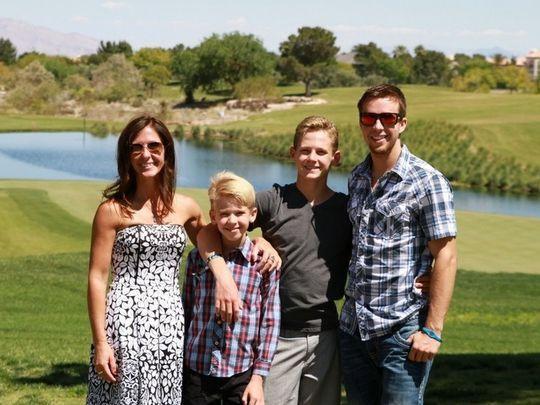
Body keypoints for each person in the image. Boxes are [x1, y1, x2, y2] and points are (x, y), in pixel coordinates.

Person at [198, 116, 352, 405]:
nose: (312, 158)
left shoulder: (346, 209)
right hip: (278, 336)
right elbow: (209, 231)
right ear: (293, 153)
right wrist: (228, 268)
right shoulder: (273, 200)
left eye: (321, 152)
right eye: (305, 150)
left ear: (336, 157)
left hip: (326, 334)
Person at [339, 84, 458, 404]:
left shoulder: (427, 180)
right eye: (369, 118)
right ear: (361, 122)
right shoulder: (357, 177)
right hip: (354, 329)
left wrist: (432, 331)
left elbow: (446, 256)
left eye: (388, 118)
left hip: (402, 332)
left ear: (402, 123)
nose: (378, 126)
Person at [86, 115, 206, 404]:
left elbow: (217, 245)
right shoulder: (111, 211)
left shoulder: (187, 207)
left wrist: (262, 242)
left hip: (170, 322)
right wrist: (101, 343)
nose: (146, 154)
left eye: (154, 146)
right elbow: (97, 278)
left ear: (166, 151)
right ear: (126, 156)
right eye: (136, 147)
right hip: (124, 321)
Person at [183, 171, 280, 405]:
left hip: (241, 372)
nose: (232, 220)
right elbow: (186, 309)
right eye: (224, 214)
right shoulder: (197, 258)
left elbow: (270, 322)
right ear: (213, 216)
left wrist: (258, 377)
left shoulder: (263, 263)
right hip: (197, 369)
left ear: (252, 214)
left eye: (239, 213)